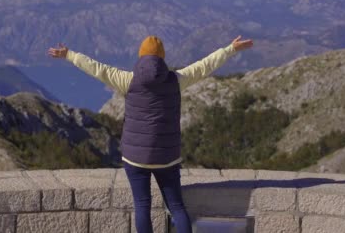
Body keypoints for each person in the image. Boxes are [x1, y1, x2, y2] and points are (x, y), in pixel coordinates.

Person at [47, 35, 253, 233]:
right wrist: (230, 49)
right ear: (161, 57)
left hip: (135, 159)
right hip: (167, 158)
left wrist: (69, 55)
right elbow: (205, 65)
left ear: (141, 56)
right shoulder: (177, 80)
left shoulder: (127, 80)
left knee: (142, 206)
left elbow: (97, 69)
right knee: (176, 207)